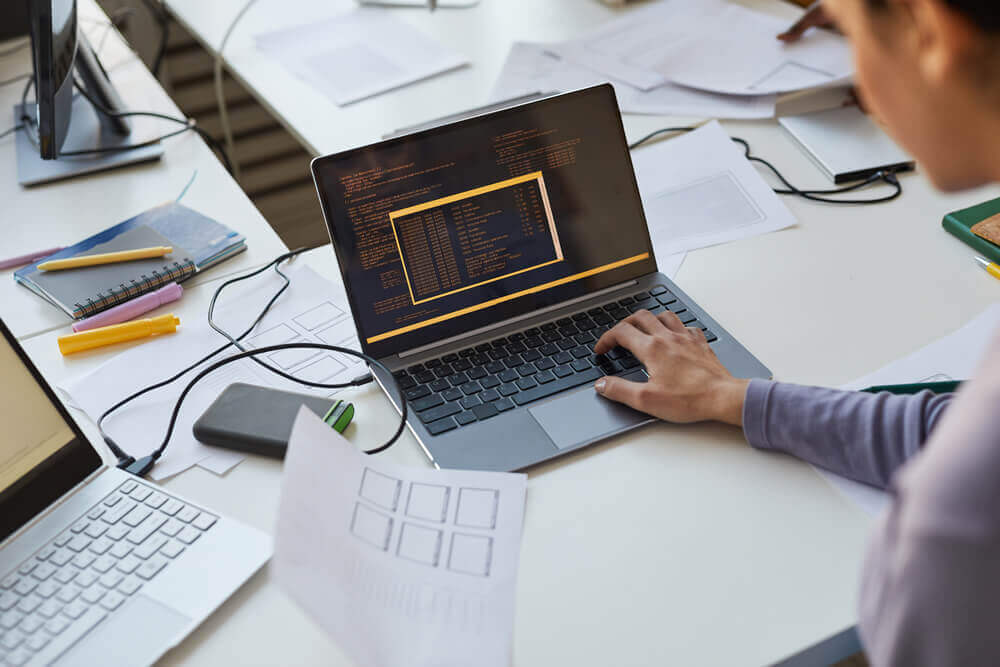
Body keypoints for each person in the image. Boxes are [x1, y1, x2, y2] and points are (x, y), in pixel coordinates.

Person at [591, 1, 1000, 664]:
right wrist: (735, 397)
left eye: (849, 35)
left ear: (935, 35)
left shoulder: (951, 533)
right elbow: (946, 431)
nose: (856, 84)